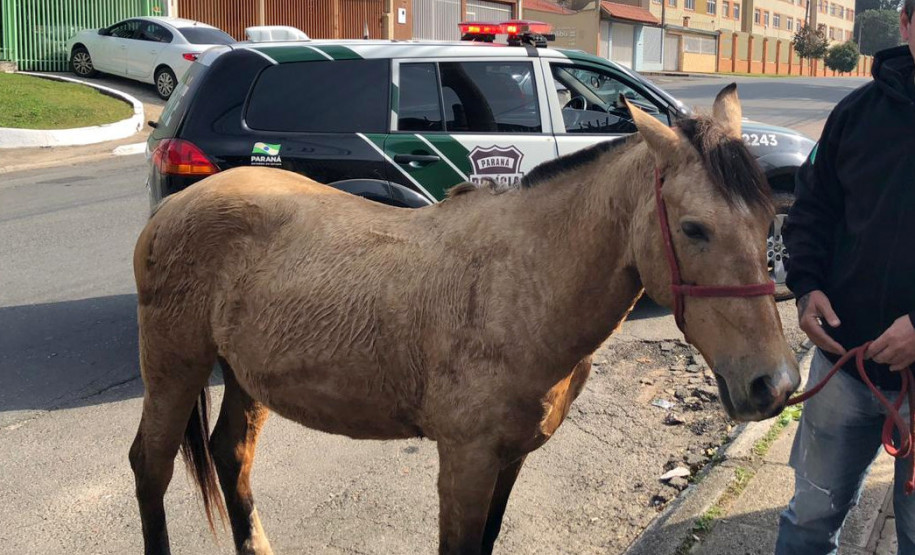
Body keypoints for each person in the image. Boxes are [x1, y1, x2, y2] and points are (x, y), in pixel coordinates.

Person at [776, 1, 915, 553]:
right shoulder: (856, 114)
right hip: (844, 368)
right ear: (906, 24)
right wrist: (807, 288)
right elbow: (812, 212)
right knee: (808, 521)